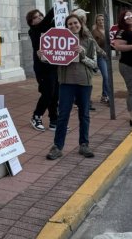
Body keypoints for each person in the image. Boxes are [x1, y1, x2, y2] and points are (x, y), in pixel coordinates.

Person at [42, 14, 97, 160]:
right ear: (66, 27)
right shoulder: (60, 40)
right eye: (70, 24)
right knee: (63, 115)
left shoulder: (89, 41)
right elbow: (52, 58)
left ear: (81, 24)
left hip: (84, 82)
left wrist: (83, 55)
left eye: (75, 23)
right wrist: (43, 55)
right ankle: (57, 147)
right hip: (66, 83)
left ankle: (84, 144)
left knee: (84, 115)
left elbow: (95, 64)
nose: (73, 26)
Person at [26, 8, 59, 131]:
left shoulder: (48, 28)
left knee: (55, 94)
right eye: (35, 17)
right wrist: (55, 8)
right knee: (48, 93)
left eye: (40, 15)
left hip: (54, 65)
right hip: (42, 68)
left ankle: (54, 120)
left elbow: (57, 24)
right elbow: (45, 23)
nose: (39, 17)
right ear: (31, 22)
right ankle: (36, 116)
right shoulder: (34, 30)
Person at [91, 14, 111, 104]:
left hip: (109, 56)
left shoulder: (108, 30)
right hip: (101, 57)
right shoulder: (94, 32)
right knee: (106, 76)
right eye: (99, 20)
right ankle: (106, 95)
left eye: (102, 19)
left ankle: (104, 95)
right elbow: (93, 45)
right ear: (96, 21)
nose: (101, 21)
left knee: (109, 77)